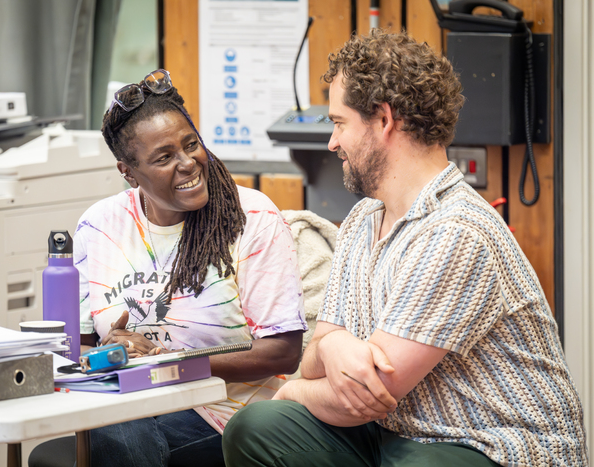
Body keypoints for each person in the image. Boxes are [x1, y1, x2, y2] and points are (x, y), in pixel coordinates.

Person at [222, 30, 588, 467]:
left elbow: (369, 394)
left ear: (383, 119)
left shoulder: (457, 232)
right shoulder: (362, 219)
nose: (331, 143)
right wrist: (336, 345)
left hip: (490, 445)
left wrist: (295, 389)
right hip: (396, 433)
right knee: (258, 427)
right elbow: (320, 352)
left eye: (339, 123)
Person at [74, 70, 306, 466]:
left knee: (119, 437)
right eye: (164, 158)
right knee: (115, 425)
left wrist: (165, 363)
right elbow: (80, 345)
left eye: (191, 144)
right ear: (127, 172)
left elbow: (283, 352)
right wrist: (109, 354)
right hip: (129, 402)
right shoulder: (98, 226)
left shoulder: (251, 217)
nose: (188, 163)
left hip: (226, 415)